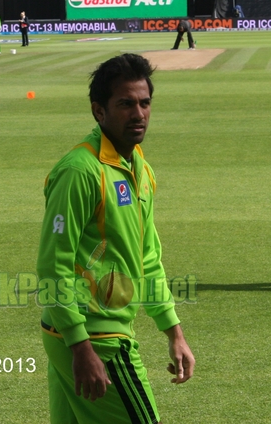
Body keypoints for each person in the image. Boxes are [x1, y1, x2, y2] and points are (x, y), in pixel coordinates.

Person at [37, 53, 195, 423]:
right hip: (94, 339)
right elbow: (52, 265)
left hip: (76, 335)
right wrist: (81, 346)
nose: (138, 113)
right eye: (125, 104)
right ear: (99, 111)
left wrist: (173, 331)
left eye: (144, 102)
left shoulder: (140, 168)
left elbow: (148, 258)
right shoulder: (80, 171)